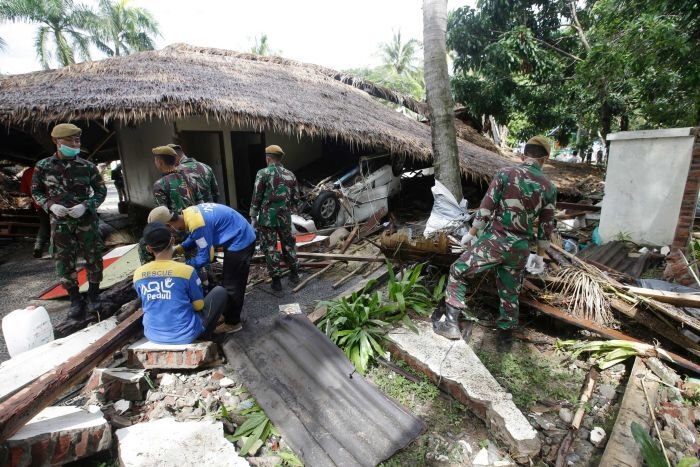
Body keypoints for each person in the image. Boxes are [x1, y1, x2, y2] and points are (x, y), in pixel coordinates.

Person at [434, 136, 557, 350]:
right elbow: (546, 228)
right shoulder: (549, 187)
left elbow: (485, 209)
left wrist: (471, 234)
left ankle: (451, 324)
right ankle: (505, 340)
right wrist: (539, 256)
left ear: (522, 155)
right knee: (510, 292)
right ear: (544, 159)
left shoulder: (505, 174)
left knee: (459, 270)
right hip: (520, 249)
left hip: (495, 241)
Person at [32, 123, 107, 320]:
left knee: (94, 257)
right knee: (64, 262)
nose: (75, 143)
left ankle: (93, 296)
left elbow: (100, 191)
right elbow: (36, 191)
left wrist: (87, 205)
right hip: (60, 222)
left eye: (77, 140)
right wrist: (49, 205)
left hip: (86, 221)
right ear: (56, 142)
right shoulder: (43, 166)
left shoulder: (87, 166)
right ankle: (75, 300)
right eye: (70, 140)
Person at [148, 203, 256, 332]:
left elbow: (205, 258)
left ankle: (233, 323)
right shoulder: (188, 214)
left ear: (168, 225)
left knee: (232, 284)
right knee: (227, 280)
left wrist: (181, 267)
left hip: (241, 240)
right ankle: (228, 313)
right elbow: (195, 236)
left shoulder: (197, 224)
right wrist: (180, 248)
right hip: (236, 232)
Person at [134, 222, 228, 344]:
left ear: (148, 248)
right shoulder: (186, 271)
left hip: (153, 335)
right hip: (185, 335)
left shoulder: (138, 274)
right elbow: (198, 306)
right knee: (220, 292)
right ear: (172, 241)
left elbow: (146, 301)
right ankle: (206, 335)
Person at [139, 146, 202, 265]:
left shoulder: (160, 185)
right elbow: (201, 203)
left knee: (144, 243)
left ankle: (153, 272)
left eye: (155, 160)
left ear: (160, 162)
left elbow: (161, 216)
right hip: (195, 227)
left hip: (176, 232)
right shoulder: (191, 179)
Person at [250, 145, 301, 291]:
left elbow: (256, 196)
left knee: (270, 247)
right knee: (288, 244)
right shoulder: (290, 174)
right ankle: (294, 273)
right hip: (285, 217)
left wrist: (253, 216)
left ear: (268, 158)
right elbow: (296, 198)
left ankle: (277, 281)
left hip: (268, 219)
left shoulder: (263, 173)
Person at [20, 164, 50, 258]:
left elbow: (24, 190)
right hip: (53, 201)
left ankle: (38, 248)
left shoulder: (27, 172)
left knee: (44, 225)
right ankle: (54, 250)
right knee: (56, 225)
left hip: (38, 203)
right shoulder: (49, 170)